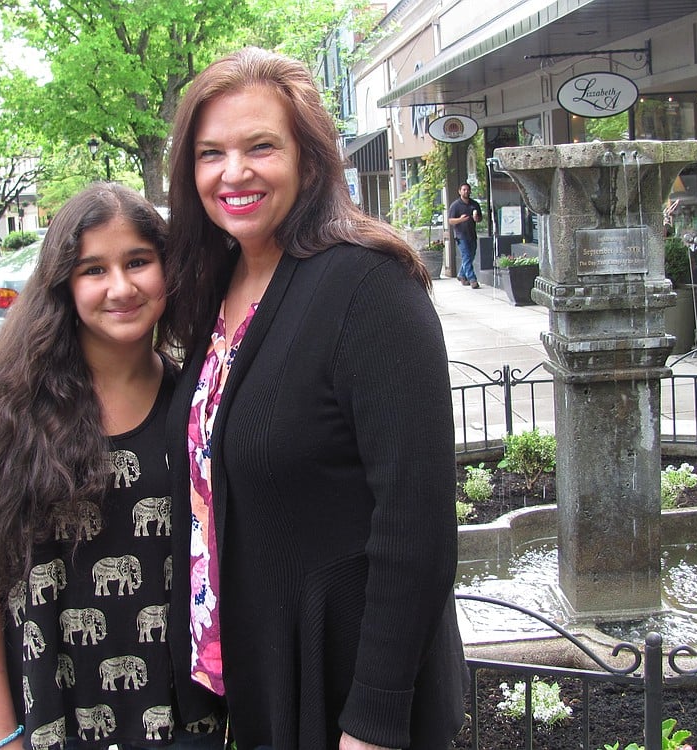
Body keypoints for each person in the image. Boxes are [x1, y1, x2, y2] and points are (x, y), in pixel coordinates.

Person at [165, 47, 467, 750]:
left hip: (345, 692)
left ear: (309, 156)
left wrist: (373, 720)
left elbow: (415, 524)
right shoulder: (214, 287)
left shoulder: (369, 286)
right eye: (210, 153)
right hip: (261, 672)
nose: (232, 172)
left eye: (259, 146)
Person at [0, 183, 226, 750]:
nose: (120, 287)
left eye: (138, 262)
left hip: (183, 722)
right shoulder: (0, 416)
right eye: (93, 269)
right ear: (62, 284)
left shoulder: (198, 404)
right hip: (52, 715)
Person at [447, 182, 482, 289]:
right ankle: (472, 279)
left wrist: (476, 218)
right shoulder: (455, 205)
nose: (466, 191)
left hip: (472, 234)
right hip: (461, 235)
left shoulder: (474, 204)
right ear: (459, 191)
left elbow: (480, 218)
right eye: (464, 190)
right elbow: (450, 221)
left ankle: (461, 275)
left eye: (467, 190)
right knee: (466, 256)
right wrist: (460, 220)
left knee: (470, 257)